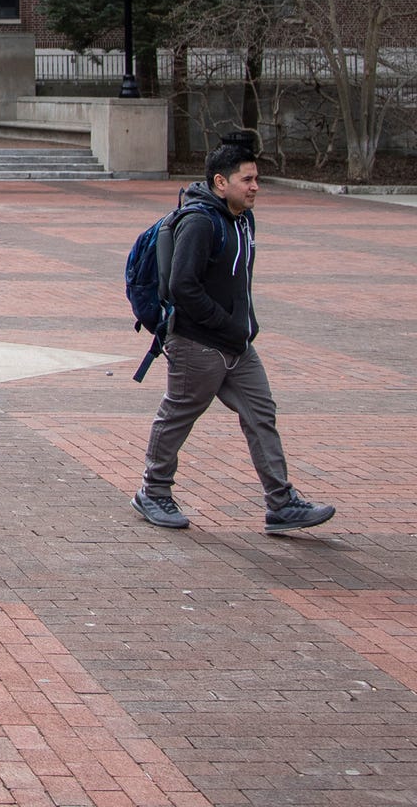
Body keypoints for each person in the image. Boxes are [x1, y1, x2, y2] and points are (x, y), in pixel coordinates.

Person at [134, 137, 335, 536]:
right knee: (178, 416)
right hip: (196, 345)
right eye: (247, 179)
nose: (255, 186)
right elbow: (182, 287)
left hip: (238, 347)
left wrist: (244, 328)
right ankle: (152, 492)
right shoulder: (199, 222)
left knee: (262, 416)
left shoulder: (242, 218)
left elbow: (237, 282)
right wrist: (227, 325)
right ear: (220, 182)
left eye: (256, 178)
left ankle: (281, 504)